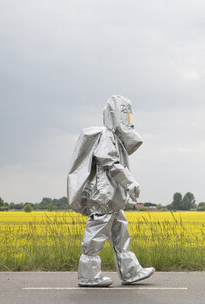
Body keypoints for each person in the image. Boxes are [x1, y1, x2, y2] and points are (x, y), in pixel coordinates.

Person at [67, 95, 155, 287]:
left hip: (113, 198)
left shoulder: (114, 137)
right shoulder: (106, 135)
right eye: (126, 116)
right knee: (96, 235)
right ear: (116, 115)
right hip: (104, 197)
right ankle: (89, 276)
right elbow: (110, 163)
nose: (128, 120)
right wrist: (129, 182)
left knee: (121, 234)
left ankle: (131, 272)